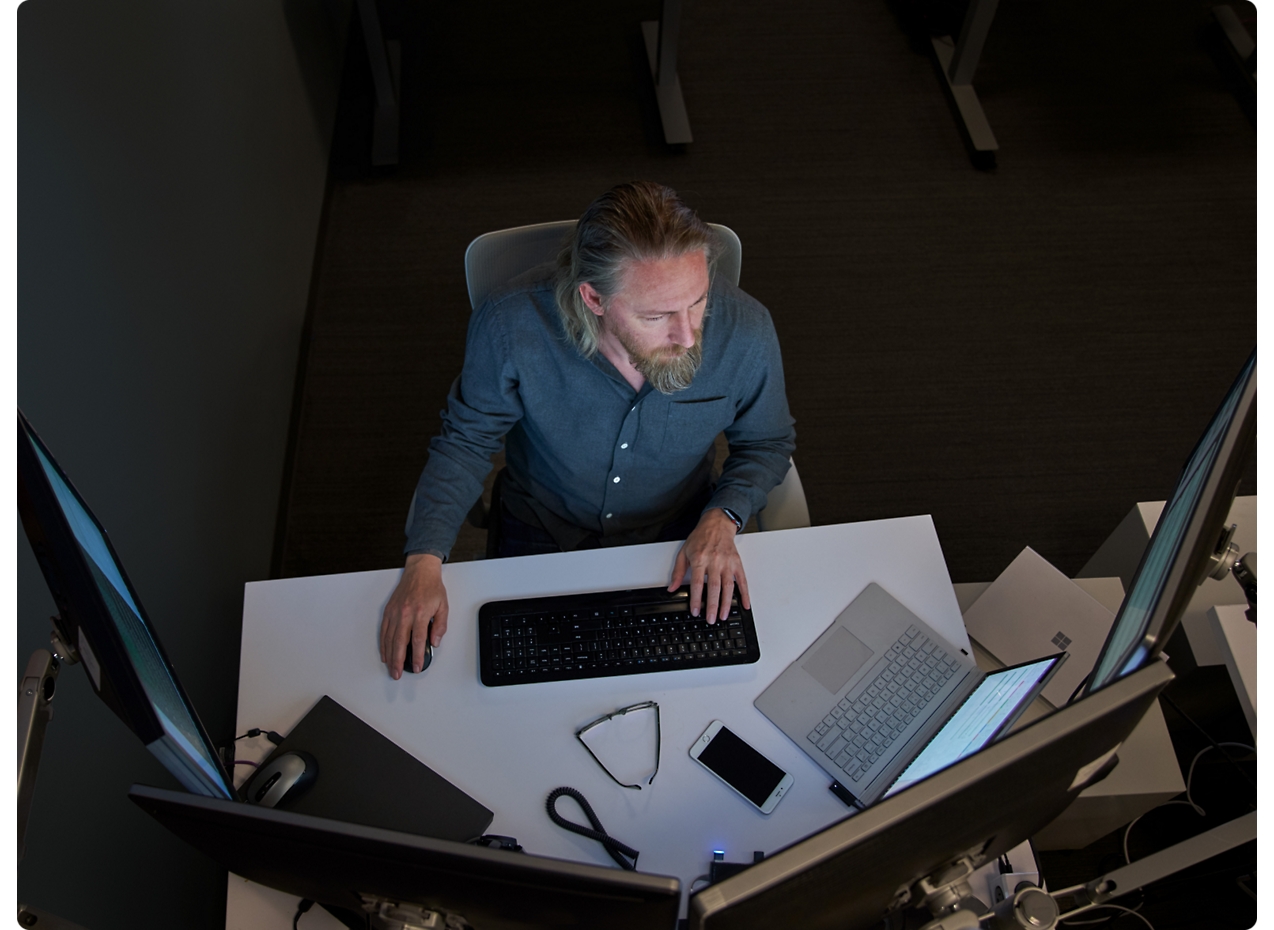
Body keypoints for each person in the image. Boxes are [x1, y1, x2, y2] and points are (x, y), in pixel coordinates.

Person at [380, 181, 796, 678]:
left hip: (679, 531)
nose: (687, 336)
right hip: (542, 521)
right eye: (656, 315)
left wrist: (723, 516)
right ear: (594, 298)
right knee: (511, 681)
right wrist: (423, 561)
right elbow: (467, 440)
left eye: (698, 301)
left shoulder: (747, 329)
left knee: (698, 678)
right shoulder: (511, 324)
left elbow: (767, 443)